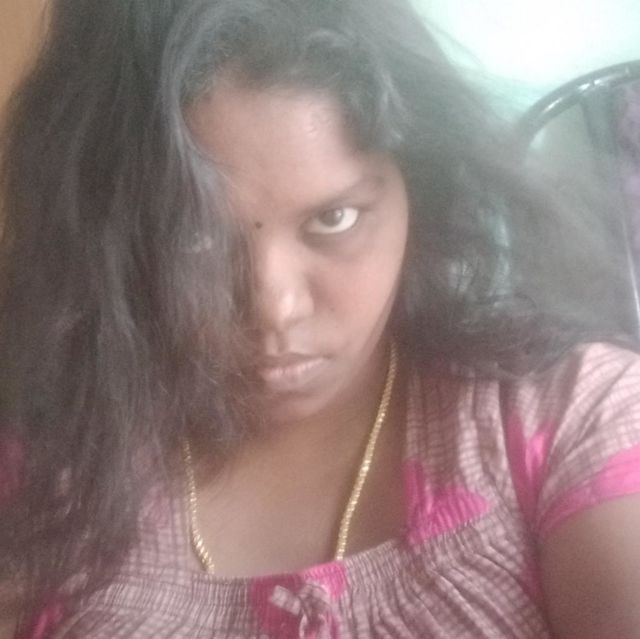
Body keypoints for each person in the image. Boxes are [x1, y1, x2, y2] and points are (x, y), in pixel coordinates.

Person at [1, 0, 640, 637]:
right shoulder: (41, 478)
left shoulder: (571, 420)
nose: (274, 308)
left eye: (334, 219)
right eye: (191, 237)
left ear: (423, 190)